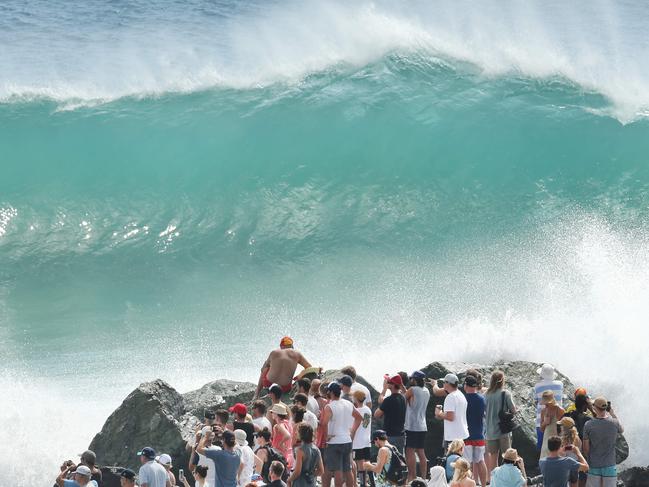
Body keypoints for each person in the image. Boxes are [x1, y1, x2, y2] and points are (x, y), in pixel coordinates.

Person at [321, 381, 363, 487]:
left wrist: (326, 436)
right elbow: (359, 418)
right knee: (347, 469)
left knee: (337, 470)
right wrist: (352, 431)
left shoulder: (329, 407)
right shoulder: (348, 403)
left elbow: (324, 423)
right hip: (347, 440)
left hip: (334, 441)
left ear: (330, 392)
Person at [582, 397, 623, 487]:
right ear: (606, 408)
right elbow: (621, 430)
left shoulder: (588, 425)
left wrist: (587, 461)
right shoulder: (614, 423)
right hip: (610, 464)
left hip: (594, 465)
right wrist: (612, 413)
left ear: (595, 408)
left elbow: (586, 449)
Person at [484, 371, 517, 477]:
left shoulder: (486, 395)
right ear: (502, 381)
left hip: (490, 430)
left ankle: (494, 480)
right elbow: (513, 410)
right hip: (504, 431)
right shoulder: (505, 393)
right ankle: (507, 478)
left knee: (493, 457)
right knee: (508, 457)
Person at [405, 370, 430, 481]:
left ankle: (412, 476)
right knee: (421, 451)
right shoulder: (426, 391)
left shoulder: (412, 390)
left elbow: (402, 398)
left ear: (414, 380)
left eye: (412, 379)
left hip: (412, 425)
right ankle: (424, 478)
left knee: (409, 451)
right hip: (422, 425)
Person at [463, 375, 487, 487]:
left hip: (466, 435)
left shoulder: (463, 399)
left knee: (467, 463)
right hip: (479, 434)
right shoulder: (482, 399)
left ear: (466, 385)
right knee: (480, 461)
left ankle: (468, 484)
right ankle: (483, 485)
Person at [434, 374, 468, 449]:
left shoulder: (450, 397)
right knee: (460, 459)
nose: (443, 384)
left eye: (444, 382)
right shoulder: (461, 395)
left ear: (448, 384)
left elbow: (450, 417)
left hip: (453, 437)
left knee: (451, 459)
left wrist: (439, 413)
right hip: (462, 435)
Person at [375, 373, 407, 454]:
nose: (386, 382)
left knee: (388, 462)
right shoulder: (403, 398)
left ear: (392, 385)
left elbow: (376, 415)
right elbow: (404, 391)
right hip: (401, 435)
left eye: (388, 381)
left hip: (390, 436)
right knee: (399, 461)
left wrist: (384, 390)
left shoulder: (388, 400)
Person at [534, 364, 564, 451]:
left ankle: (541, 463)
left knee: (541, 446)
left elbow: (536, 400)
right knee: (558, 447)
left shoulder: (537, 386)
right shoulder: (560, 384)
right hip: (558, 418)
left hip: (542, 419)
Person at [352, 390, 373, 487]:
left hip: (357, 441)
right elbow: (365, 425)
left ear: (356, 398)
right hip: (366, 440)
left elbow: (353, 426)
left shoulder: (356, 411)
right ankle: (369, 482)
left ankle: (361, 483)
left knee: (359, 463)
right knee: (366, 463)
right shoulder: (368, 410)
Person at [540, 390, 565, 459]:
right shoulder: (543, 411)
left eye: (547, 403)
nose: (545, 404)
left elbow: (564, 427)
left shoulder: (559, 410)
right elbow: (541, 429)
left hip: (557, 439)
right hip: (546, 439)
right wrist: (545, 423)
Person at [559, 417, 582, 487]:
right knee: (574, 483)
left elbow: (571, 448)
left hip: (566, 465)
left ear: (565, 427)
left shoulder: (565, 438)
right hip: (575, 464)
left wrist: (562, 449)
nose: (560, 427)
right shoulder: (577, 438)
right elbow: (576, 448)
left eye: (561, 425)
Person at [271, 403, 295, 468]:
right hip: (288, 453)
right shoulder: (288, 423)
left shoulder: (279, 425)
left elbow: (287, 435)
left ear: (276, 414)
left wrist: (280, 444)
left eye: (272, 412)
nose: (271, 414)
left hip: (279, 453)